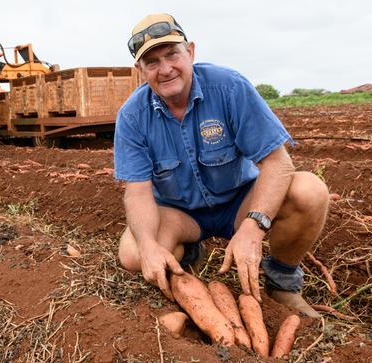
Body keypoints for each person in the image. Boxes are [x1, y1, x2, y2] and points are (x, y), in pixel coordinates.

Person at [114, 14, 329, 317]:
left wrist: (253, 227)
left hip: (239, 202)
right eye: (152, 62)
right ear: (140, 70)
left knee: (310, 191)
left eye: (172, 54)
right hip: (180, 213)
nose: (165, 69)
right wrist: (149, 245)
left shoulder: (229, 88)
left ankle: (282, 283)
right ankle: (188, 254)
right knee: (134, 253)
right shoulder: (132, 116)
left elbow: (278, 163)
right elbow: (137, 192)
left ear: (190, 51)